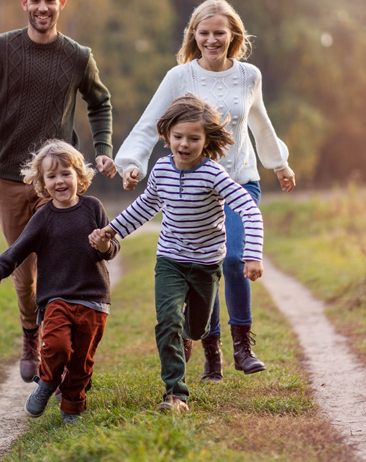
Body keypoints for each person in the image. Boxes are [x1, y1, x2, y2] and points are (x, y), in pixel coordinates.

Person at [114, 0, 294, 382]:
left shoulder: (249, 75)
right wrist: (132, 163)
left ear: (233, 36)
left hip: (240, 179)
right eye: (205, 33)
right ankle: (212, 351)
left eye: (219, 33)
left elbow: (260, 122)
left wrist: (279, 164)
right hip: (195, 185)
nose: (212, 40)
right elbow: (151, 123)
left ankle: (243, 345)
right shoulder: (180, 76)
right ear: (194, 35)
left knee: (233, 258)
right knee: (204, 264)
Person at [0, 0, 118, 383]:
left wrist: (102, 150)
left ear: (61, 2)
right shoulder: (0, 48)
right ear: (24, 3)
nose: (43, 7)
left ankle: (57, 336)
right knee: (25, 271)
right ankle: (31, 333)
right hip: (11, 178)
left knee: (65, 262)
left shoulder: (78, 56)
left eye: (51, 0)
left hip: (57, 182)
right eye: (36, 0)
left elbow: (100, 103)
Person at [90, 95, 263, 412]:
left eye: (193, 138)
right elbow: (146, 206)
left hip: (207, 264)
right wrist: (112, 229)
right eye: (178, 137)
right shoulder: (161, 169)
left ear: (206, 139)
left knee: (195, 329)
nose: (184, 144)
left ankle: (188, 338)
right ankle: (175, 394)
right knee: (167, 321)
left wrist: (253, 254)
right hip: (170, 260)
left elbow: (249, 210)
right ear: (167, 135)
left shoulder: (214, 175)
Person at [0, 140, 119, 425]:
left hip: (94, 300)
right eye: (51, 176)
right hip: (57, 299)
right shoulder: (43, 218)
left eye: (66, 173)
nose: (60, 181)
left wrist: (103, 246)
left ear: (79, 175)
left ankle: (72, 408)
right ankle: (48, 383)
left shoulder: (93, 208)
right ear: (42, 183)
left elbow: (112, 249)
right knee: (56, 347)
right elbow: (16, 252)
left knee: (82, 362)